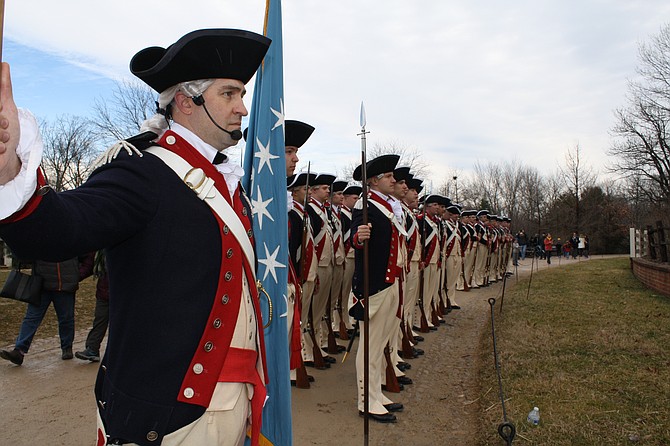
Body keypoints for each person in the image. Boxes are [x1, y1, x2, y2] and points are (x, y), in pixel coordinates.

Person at [0, 29, 271, 446]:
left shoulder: (229, 185)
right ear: (186, 101)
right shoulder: (140, 172)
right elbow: (61, 228)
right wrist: (11, 174)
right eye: (230, 94)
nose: (242, 108)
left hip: (234, 396)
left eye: (241, 95)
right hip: (174, 413)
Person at [350, 154, 404, 423]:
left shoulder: (387, 206)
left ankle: (375, 393)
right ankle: (365, 400)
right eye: (388, 176)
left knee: (380, 343)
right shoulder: (366, 205)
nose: (393, 180)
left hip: (388, 281)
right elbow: (356, 239)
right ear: (374, 180)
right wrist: (359, 238)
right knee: (369, 346)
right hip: (373, 286)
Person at [0, 257, 81, 365]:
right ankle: (19, 351)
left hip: (65, 285)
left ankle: (67, 347)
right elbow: (26, 257)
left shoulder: (71, 240)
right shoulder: (39, 240)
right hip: (41, 285)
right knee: (31, 318)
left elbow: (87, 257)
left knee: (66, 318)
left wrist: (76, 275)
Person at [75, 251, 109, 362]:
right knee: (100, 320)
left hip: (124, 293)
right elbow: (89, 265)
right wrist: (73, 278)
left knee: (121, 325)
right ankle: (92, 349)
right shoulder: (100, 250)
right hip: (104, 292)